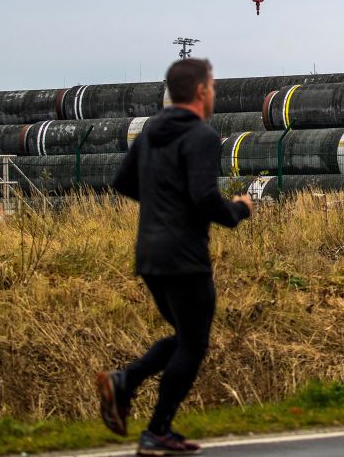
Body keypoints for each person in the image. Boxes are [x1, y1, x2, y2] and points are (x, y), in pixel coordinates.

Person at [97, 58, 252, 455]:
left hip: (150, 253)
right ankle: (154, 427)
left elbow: (122, 181)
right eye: (213, 86)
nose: (213, 93)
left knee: (185, 337)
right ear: (201, 91)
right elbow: (202, 197)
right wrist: (237, 210)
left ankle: (126, 384)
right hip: (184, 255)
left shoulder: (151, 132)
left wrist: (162, 207)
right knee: (194, 343)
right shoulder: (200, 135)